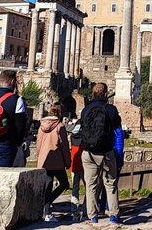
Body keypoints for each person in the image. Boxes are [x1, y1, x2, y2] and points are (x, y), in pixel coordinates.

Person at [80, 82, 122, 223]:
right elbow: (117, 126)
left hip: (89, 152)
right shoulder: (111, 109)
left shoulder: (86, 110)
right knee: (110, 183)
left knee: (90, 184)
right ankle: (113, 215)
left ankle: (92, 216)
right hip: (106, 151)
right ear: (105, 94)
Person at [37, 102, 71, 222]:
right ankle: (47, 202)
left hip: (44, 159)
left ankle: (46, 210)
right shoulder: (60, 126)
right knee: (64, 183)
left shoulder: (42, 125)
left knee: (48, 184)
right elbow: (64, 146)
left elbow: (38, 143)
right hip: (56, 159)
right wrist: (68, 162)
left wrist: (38, 158)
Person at [69, 118, 85, 218]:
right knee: (88, 187)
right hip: (83, 164)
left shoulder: (72, 136)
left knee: (75, 188)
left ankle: (73, 209)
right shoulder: (84, 136)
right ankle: (85, 209)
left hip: (73, 163)